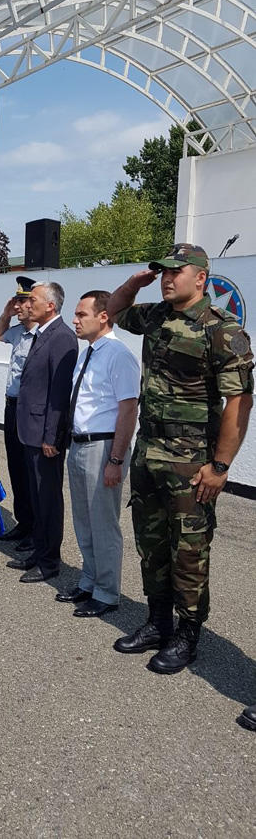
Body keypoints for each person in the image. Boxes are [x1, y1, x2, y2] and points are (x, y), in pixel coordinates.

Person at [107, 243, 253, 674]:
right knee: (151, 546)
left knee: (189, 552)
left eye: (177, 272)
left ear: (201, 278)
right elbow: (112, 311)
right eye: (163, 272)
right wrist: (134, 283)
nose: (167, 279)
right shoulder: (155, 314)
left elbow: (239, 403)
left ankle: (189, 635)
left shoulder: (222, 330)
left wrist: (221, 466)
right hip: (149, 452)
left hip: (191, 463)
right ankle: (158, 622)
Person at [56, 290, 140, 617]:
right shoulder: (88, 352)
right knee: (84, 521)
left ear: (103, 316)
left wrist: (116, 460)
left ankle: (107, 592)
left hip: (103, 446)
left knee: (103, 523)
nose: (75, 320)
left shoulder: (118, 354)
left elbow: (128, 410)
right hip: (79, 444)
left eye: (81, 315)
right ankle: (89, 580)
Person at [8, 281, 78, 583]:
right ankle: (38, 550)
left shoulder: (62, 337)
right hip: (29, 429)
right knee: (37, 497)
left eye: (33, 299)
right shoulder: (41, 333)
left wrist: (52, 437)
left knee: (48, 499)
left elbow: (59, 394)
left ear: (50, 305)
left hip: (44, 434)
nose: (27, 303)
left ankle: (50, 562)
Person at [0, 276, 37, 543]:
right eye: (17, 301)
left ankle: (35, 527)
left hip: (29, 410)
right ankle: (23, 522)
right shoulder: (18, 332)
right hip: (12, 407)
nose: (18, 306)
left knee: (31, 471)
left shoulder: (42, 335)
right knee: (16, 468)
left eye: (22, 301)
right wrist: (6, 313)